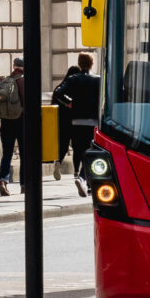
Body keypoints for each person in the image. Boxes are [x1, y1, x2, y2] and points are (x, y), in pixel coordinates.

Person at [53, 52, 102, 197]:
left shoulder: (73, 79)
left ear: (80, 63)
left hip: (76, 121)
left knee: (80, 151)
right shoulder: (98, 80)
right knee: (91, 153)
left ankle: (86, 183)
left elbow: (58, 92)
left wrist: (68, 102)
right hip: (93, 121)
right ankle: (82, 179)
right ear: (92, 63)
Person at [0, 56, 26, 197]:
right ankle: (24, 185)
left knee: (7, 154)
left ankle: (3, 181)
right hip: (22, 122)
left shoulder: (4, 81)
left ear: (14, 66)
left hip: (6, 122)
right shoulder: (24, 81)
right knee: (25, 155)